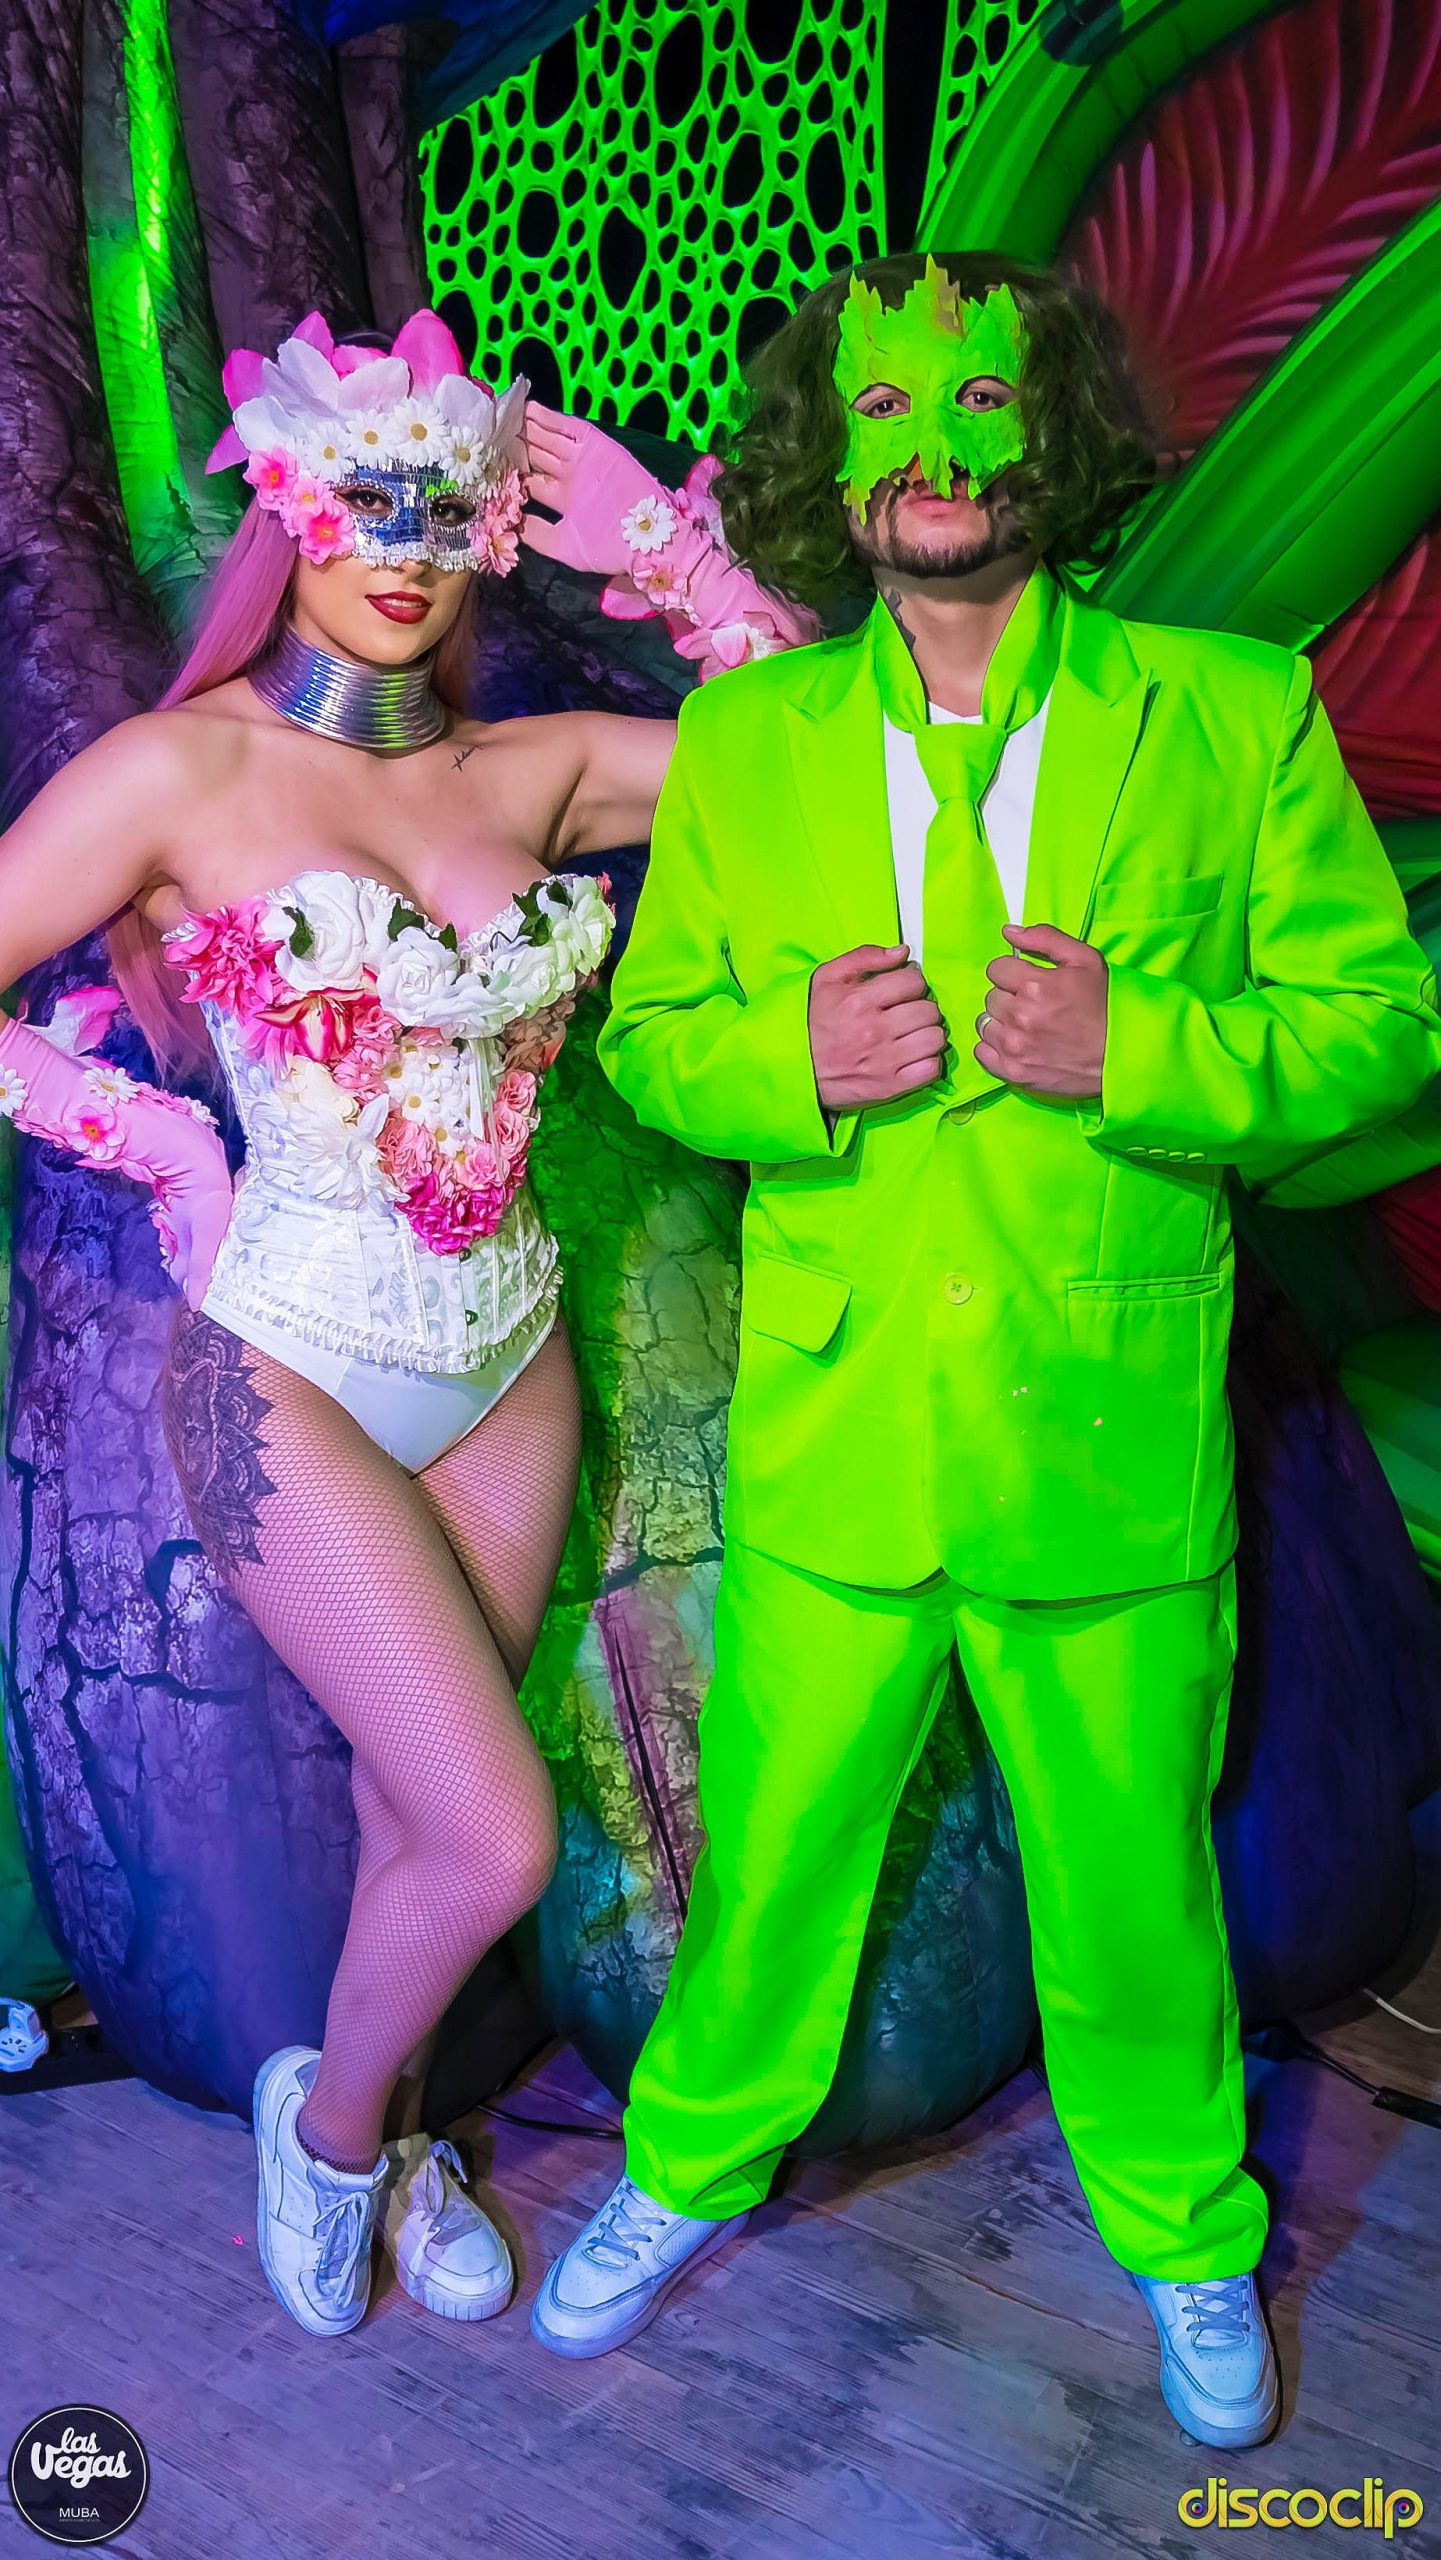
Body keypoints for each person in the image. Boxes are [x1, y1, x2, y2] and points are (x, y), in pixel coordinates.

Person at [532, 251, 1441, 2449]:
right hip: (838, 1437)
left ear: (1061, 429)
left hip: (1103, 1439)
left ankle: (1186, 2233)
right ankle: (683, 2167)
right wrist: (787, 1059)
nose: (933, 449)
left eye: (982, 398)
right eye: (881, 408)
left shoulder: (1232, 710)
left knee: (1133, 1894)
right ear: (823, 455)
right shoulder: (746, 743)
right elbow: (652, 1042)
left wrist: (1149, 1049)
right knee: (767, 1869)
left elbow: (1380, 1020)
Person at [0, 305, 811, 2338]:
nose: (402, 547)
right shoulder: (182, 768)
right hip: (287, 1360)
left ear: (488, 539)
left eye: (445, 510)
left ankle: (409, 2123)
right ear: (288, 502)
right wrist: (150, 1144)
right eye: (363, 500)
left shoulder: (534, 770)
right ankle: (341, 2132)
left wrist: (673, 557)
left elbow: (842, 764)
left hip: (509, 1360)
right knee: (499, 1829)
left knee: (411, 1809)